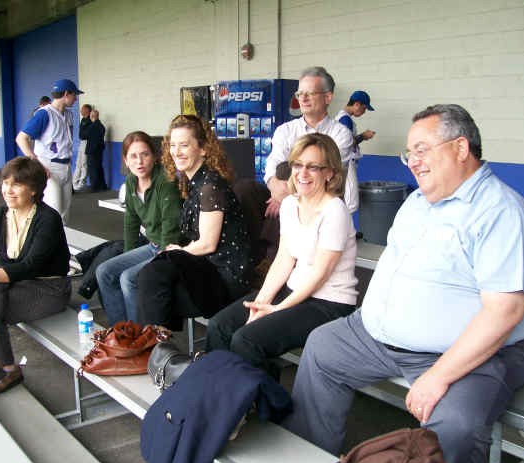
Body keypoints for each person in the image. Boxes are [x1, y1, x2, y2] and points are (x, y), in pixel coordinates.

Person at [283, 104, 524, 463]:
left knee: (456, 424)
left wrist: (439, 377)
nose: (412, 161)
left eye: (422, 149)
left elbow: (504, 312)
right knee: (322, 348)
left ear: (461, 148)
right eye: (409, 153)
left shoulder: (500, 212)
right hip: (376, 337)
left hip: (466, 354)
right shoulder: (419, 201)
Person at [206, 133, 358, 379]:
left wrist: (276, 310)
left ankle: (268, 404)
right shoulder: (289, 205)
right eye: (297, 165)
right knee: (219, 326)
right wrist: (261, 303)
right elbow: (284, 259)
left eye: (313, 167)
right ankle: (217, 392)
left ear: (329, 173)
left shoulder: (335, 211)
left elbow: (320, 275)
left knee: (247, 340)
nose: (302, 173)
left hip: (328, 303)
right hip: (294, 291)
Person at [0, 156, 71, 396]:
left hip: (49, 288)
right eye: (5, 183)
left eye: (17, 184)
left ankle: (5, 367)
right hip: (17, 284)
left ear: (33, 189)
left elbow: (31, 266)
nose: (8, 190)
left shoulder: (47, 219)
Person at [136, 114, 251, 330]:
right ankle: (152, 344)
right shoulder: (193, 182)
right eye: (173, 145)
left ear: (204, 149)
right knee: (151, 277)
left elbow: (208, 244)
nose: (176, 151)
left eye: (184, 145)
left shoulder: (209, 186)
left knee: (152, 277)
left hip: (224, 276)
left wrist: (177, 251)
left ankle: (151, 346)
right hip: (205, 265)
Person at [95, 131, 180, 325]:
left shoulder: (165, 182)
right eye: (133, 156)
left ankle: (140, 340)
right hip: (153, 246)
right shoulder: (131, 182)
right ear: (125, 160)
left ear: (155, 156)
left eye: (145, 154)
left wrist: (157, 260)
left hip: (172, 249)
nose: (139, 161)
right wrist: (128, 256)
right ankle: (122, 332)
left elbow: (171, 226)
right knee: (105, 272)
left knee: (128, 278)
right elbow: (131, 222)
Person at [265, 66, 356, 215]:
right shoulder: (284, 131)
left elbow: (325, 177)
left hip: (323, 209)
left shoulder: (341, 134)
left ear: (328, 97)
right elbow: (274, 163)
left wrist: (283, 197)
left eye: (310, 93)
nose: (303, 98)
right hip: (287, 204)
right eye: (300, 93)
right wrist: (274, 186)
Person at [16, 78, 83, 224]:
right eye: (74, 95)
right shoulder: (44, 113)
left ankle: (61, 246)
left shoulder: (69, 115)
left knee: (65, 215)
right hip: (48, 166)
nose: (76, 98)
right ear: (66, 94)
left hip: (66, 166)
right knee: (54, 213)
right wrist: (36, 163)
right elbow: (21, 138)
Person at [334, 90, 376, 188]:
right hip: (345, 162)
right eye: (364, 108)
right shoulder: (345, 119)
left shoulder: (342, 117)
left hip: (341, 161)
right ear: (357, 104)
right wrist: (363, 136)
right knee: (352, 199)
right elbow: (348, 143)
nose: (364, 112)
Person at [83, 109, 107, 192]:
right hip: (99, 150)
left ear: (92, 116)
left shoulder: (92, 126)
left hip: (92, 150)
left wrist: (84, 122)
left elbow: (83, 135)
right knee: (99, 167)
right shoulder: (101, 126)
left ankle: (94, 186)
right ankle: (102, 185)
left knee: (92, 168)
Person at [73, 103, 92, 192]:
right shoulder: (83, 120)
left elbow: (86, 134)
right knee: (78, 163)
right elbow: (81, 135)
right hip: (81, 142)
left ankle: (82, 183)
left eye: (82, 109)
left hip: (87, 143)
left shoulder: (90, 121)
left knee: (84, 163)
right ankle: (74, 182)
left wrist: (84, 136)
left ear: (87, 111)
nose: (80, 111)